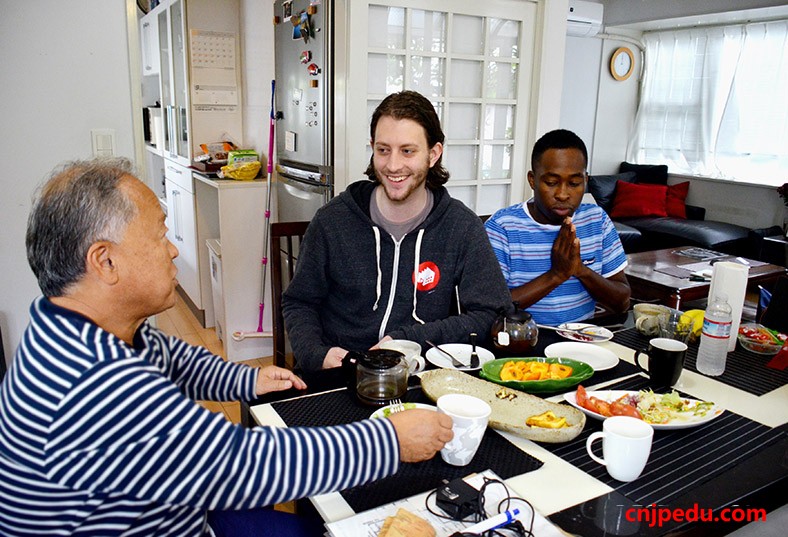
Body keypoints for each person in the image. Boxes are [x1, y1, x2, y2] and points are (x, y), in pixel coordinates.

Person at [0, 159, 453, 536]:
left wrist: (246, 377)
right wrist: (390, 441)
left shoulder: (78, 330)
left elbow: (174, 357)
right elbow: (241, 464)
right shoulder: (96, 381)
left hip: (173, 511)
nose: (173, 250)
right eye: (160, 234)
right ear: (105, 260)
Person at [282, 90, 512, 371]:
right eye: (383, 150)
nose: (393, 165)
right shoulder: (332, 221)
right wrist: (316, 353)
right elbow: (299, 301)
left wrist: (409, 339)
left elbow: (491, 313)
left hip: (422, 377)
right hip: (340, 374)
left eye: (408, 151)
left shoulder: (462, 227)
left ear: (433, 154)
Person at [485, 129, 630, 325]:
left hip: (583, 339)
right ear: (532, 180)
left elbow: (622, 302)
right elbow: (493, 308)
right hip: (524, 343)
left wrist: (580, 270)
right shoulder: (503, 228)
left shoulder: (597, 220)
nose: (563, 194)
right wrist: (557, 274)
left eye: (574, 183)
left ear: (586, 181)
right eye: (552, 182)